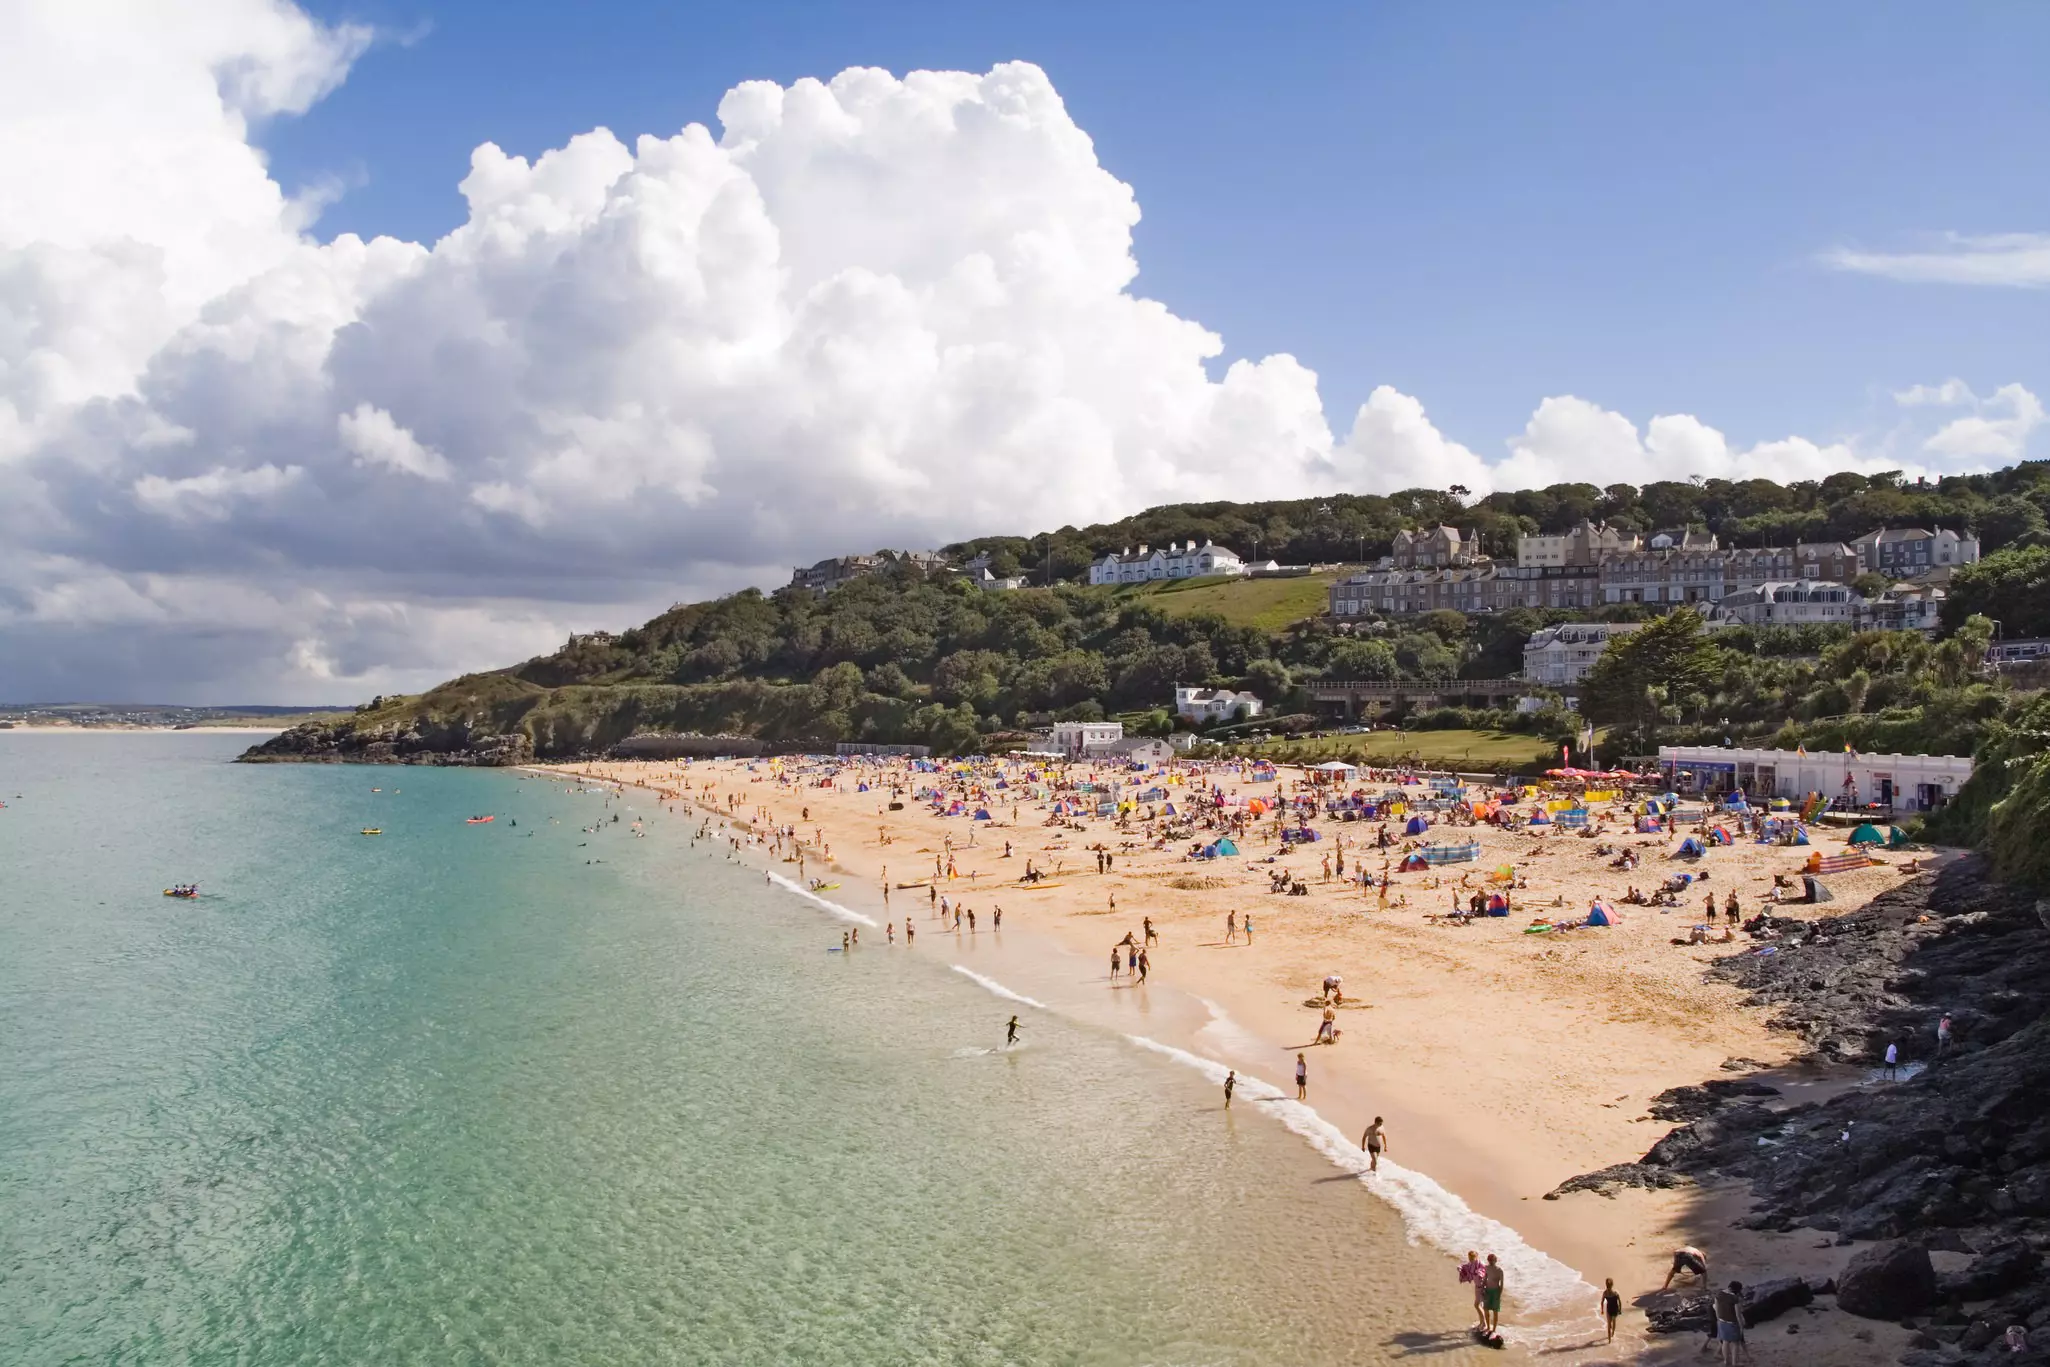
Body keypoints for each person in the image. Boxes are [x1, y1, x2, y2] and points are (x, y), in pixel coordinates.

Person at [1712, 1280, 1748, 1364]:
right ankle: (1735, 1363)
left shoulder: (1719, 1294)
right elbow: (1738, 1315)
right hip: (1732, 1323)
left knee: (1725, 1342)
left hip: (1721, 1321)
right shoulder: (1735, 1299)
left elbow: (1717, 1310)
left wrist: (1719, 1320)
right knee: (1735, 1344)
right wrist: (1741, 1327)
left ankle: (1726, 1361)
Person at [1458, 1251, 1485, 1328]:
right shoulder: (1471, 1264)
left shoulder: (1481, 1264)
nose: (1470, 1259)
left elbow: (1484, 1272)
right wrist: (1460, 1268)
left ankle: (1484, 1324)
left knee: (1477, 1305)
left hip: (1483, 1287)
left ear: (1476, 1257)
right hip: (1477, 1287)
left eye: (1472, 1258)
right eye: (1469, 1258)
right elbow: (1465, 1267)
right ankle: (1482, 1323)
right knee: (1480, 1306)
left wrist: (1479, 1273)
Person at [1479, 1254, 1504, 1336]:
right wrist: (1482, 1289)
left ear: (1495, 1261)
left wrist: (1499, 1296)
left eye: (1492, 1260)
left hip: (1495, 1292)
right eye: (1490, 1260)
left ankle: (1494, 1330)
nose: (1491, 1262)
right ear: (1488, 1261)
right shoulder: (1486, 1268)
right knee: (1486, 1309)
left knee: (1495, 1311)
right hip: (1488, 1291)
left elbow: (1502, 1285)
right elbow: (1485, 1279)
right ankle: (1488, 1327)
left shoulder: (1500, 1271)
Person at [1600, 1277, 1622, 1344]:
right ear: (1612, 1285)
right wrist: (1620, 1309)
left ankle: (1609, 1341)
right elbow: (1619, 1302)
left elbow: (1602, 1302)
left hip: (1609, 1309)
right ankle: (1612, 1333)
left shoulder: (1605, 1293)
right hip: (1615, 1309)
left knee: (1609, 1325)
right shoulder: (1615, 1292)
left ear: (1606, 1285)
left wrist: (1602, 1310)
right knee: (1613, 1321)